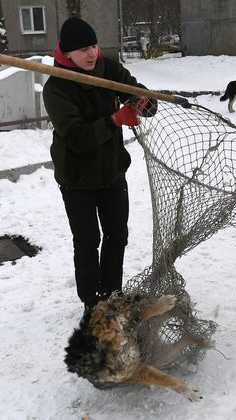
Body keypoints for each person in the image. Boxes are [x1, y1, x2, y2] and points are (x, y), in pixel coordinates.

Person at [42, 17, 156, 322]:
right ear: (67, 54)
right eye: (83, 49)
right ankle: (92, 302)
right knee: (88, 240)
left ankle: (112, 293)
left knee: (117, 234)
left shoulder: (108, 67)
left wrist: (143, 100)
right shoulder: (56, 87)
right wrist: (114, 120)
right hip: (77, 177)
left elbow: (139, 93)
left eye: (93, 45)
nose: (92, 53)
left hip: (112, 170)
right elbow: (77, 138)